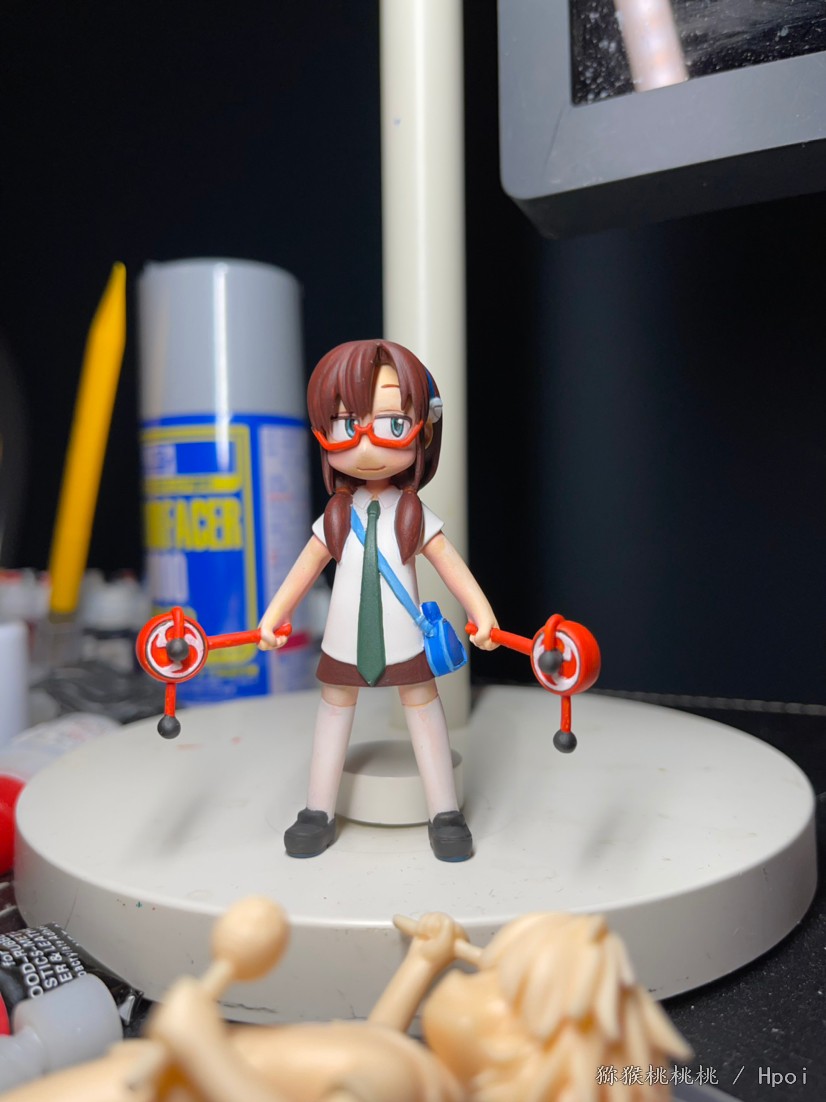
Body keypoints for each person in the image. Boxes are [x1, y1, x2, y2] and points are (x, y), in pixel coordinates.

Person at [258, 339, 498, 861]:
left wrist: (481, 613)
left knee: (423, 709)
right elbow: (305, 567)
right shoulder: (337, 516)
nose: (365, 443)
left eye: (391, 423)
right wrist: (274, 616)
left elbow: (450, 564)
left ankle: (444, 812)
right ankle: (317, 810)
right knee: (333, 712)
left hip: (404, 637)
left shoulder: (412, 514)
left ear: (423, 431)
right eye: (346, 424)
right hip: (346, 637)